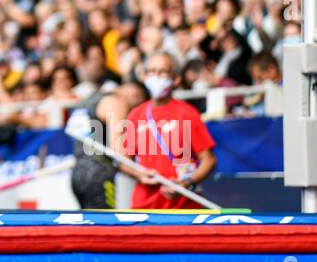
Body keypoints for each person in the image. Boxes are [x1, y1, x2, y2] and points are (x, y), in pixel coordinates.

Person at [118, 51, 216, 209]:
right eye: (151, 71)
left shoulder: (187, 113)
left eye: (162, 72)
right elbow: (124, 161)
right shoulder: (136, 114)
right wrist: (139, 174)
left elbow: (209, 160)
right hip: (145, 207)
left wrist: (186, 182)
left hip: (183, 208)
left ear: (176, 78)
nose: (155, 76)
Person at [69, 80, 148, 209]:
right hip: (100, 176)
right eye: (136, 107)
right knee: (105, 226)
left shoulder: (89, 100)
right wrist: (139, 174)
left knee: (88, 226)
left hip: (78, 173)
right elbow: (118, 152)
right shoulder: (116, 103)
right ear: (135, 94)